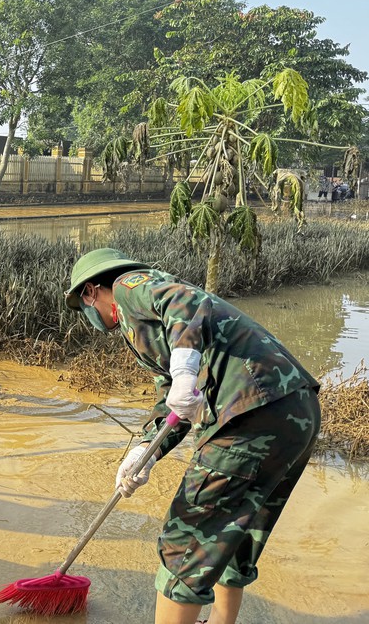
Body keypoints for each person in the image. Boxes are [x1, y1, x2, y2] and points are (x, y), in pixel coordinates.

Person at [64, 248, 320, 624]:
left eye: (83, 306)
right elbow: (172, 404)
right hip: (295, 411)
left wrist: (186, 370)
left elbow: (183, 299)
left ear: (90, 292)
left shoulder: (127, 287)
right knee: (236, 531)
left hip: (248, 413)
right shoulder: (145, 331)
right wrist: (142, 453)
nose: (90, 317)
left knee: (183, 544)